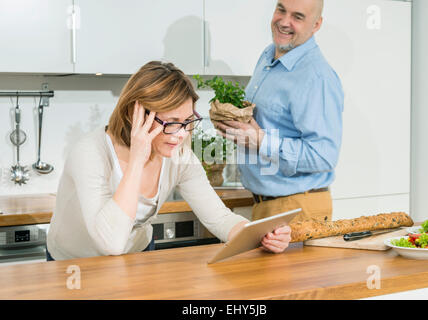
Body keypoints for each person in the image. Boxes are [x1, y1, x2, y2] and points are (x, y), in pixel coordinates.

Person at [46, 61, 291, 261]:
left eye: (187, 122)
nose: (182, 134)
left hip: (136, 258)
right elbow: (111, 242)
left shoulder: (179, 155)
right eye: (172, 123)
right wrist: (137, 160)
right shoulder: (90, 153)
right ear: (136, 114)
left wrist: (259, 236)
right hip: (73, 265)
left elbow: (219, 218)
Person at [215, 0, 344, 224]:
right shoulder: (268, 56)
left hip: (297, 209)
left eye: (298, 17)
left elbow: (324, 156)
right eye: (281, 10)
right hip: (268, 205)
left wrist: (260, 140)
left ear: (316, 24)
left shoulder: (316, 77)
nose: (284, 22)